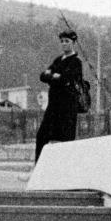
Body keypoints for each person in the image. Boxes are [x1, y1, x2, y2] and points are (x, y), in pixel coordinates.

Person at [35, 28, 84, 161]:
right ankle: (38, 166)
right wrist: (54, 77)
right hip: (53, 106)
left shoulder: (76, 62)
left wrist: (53, 76)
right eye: (62, 41)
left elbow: (66, 79)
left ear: (73, 42)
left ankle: (65, 167)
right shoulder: (58, 60)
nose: (64, 44)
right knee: (42, 136)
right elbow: (43, 76)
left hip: (67, 107)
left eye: (67, 41)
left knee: (66, 140)